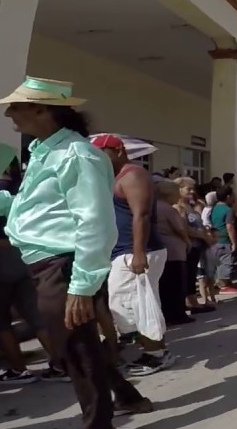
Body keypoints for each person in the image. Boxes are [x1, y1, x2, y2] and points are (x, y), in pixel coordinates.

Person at [0, 77, 151, 429]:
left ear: (42, 110)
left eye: (16, 106)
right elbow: (30, 209)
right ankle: (127, 396)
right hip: (44, 263)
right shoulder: (45, 151)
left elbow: (94, 222)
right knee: (77, 342)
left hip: (63, 264)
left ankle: (99, 428)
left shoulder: (76, 155)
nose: (8, 113)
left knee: (72, 346)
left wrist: (82, 285)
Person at [0, 161, 61, 384]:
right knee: (36, 317)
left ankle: (19, 370)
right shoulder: (24, 189)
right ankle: (61, 364)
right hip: (23, 257)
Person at [91, 134, 173, 376]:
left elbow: (142, 215)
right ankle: (151, 348)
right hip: (123, 250)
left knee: (136, 304)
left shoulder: (133, 175)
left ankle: (156, 354)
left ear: (117, 151)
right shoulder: (111, 178)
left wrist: (138, 253)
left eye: (101, 153)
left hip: (137, 251)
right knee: (131, 304)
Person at [153, 179, 193, 325]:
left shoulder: (152, 207)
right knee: (176, 285)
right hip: (174, 250)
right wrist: (187, 241)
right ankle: (177, 314)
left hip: (159, 249)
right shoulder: (169, 209)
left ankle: (167, 314)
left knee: (164, 286)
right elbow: (180, 228)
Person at [178, 177, 215, 313]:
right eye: (188, 189)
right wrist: (202, 235)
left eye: (193, 189)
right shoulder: (179, 207)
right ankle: (191, 302)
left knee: (192, 274)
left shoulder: (191, 206)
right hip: (189, 246)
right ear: (179, 189)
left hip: (197, 246)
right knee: (188, 275)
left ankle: (193, 301)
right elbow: (184, 228)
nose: (192, 191)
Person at [207, 186, 237, 292]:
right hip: (224, 239)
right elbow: (229, 226)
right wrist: (234, 242)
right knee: (226, 262)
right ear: (228, 196)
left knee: (217, 263)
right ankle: (223, 285)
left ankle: (221, 283)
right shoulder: (228, 210)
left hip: (215, 239)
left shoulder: (213, 208)